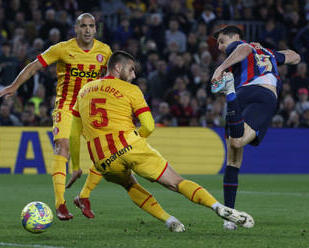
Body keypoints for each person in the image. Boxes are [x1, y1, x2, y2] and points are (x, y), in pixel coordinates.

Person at [71, 50, 254, 232]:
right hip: (130, 145)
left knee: (130, 185)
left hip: (102, 159)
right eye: (132, 69)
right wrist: (132, 140)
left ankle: (169, 220)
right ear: (118, 68)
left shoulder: (83, 91)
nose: (134, 75)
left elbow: (73, 133)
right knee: (176, 182)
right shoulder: (131, 90)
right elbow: (149, 126)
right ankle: (217, 207)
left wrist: (76, 166)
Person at [0, 13, 112, 220]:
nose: (87, 30)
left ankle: (83, 196)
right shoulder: (62, 49)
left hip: (91, 110)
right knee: (62, 146)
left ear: (95, 29)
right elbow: (34, 66)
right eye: (83, 26)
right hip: (66, 106)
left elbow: (114, 79)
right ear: (76, 29)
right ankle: (60, 204)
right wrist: (14, 86)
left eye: (91, 26)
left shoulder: (105, 51)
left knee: (107, 153)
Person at [211, 26, 301, 230]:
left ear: (235, 37)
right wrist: (273, 53)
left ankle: (230, 93)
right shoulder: (266, 52)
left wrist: (220, 68)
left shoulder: (239, 46)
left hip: (249, 93)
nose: (220, 46)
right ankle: (230, 217)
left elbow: (244, 50)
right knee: (233, 156)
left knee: (235, 146)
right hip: (261, 96)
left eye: (222, 40)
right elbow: (295, 56)